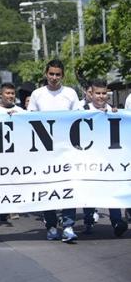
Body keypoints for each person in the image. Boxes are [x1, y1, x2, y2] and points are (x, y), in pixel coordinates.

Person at [27, 59, 79, 243]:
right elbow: (28, 121)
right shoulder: (37, 94)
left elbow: (80, 119)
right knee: (48, 189)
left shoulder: (71, 94)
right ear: (46, 74)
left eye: (58, 74)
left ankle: (68, 226)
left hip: (67, 150)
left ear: (62, 75)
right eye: (51, 74)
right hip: (44, 153)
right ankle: (50, 225)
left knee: (68, 187)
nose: (54, 78)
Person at [78, 79, 128, 237]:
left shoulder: (114, 111)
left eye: (103, 93)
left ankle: (117, 222)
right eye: (97, 93)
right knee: (89, 190)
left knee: (111, 189)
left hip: (108, 159)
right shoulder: (82, 110)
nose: (101, 96)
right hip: (88, 158)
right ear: (91, 94)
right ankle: (88, 220)